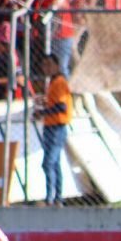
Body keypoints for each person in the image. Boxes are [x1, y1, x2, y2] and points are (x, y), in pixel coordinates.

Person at [33, 54, 72, 206]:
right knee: (55, 163)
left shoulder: (59, 82)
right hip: (51, 127)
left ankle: (50, 198)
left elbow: (61, 106)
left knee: (48, 163)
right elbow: (56, 103)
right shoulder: (53, 83)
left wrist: (42, 112)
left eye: (49, 64)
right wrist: (46, 102)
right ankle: (57, 198)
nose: (46, 68)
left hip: (57, 127)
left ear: (57, 65)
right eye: (44, 65)